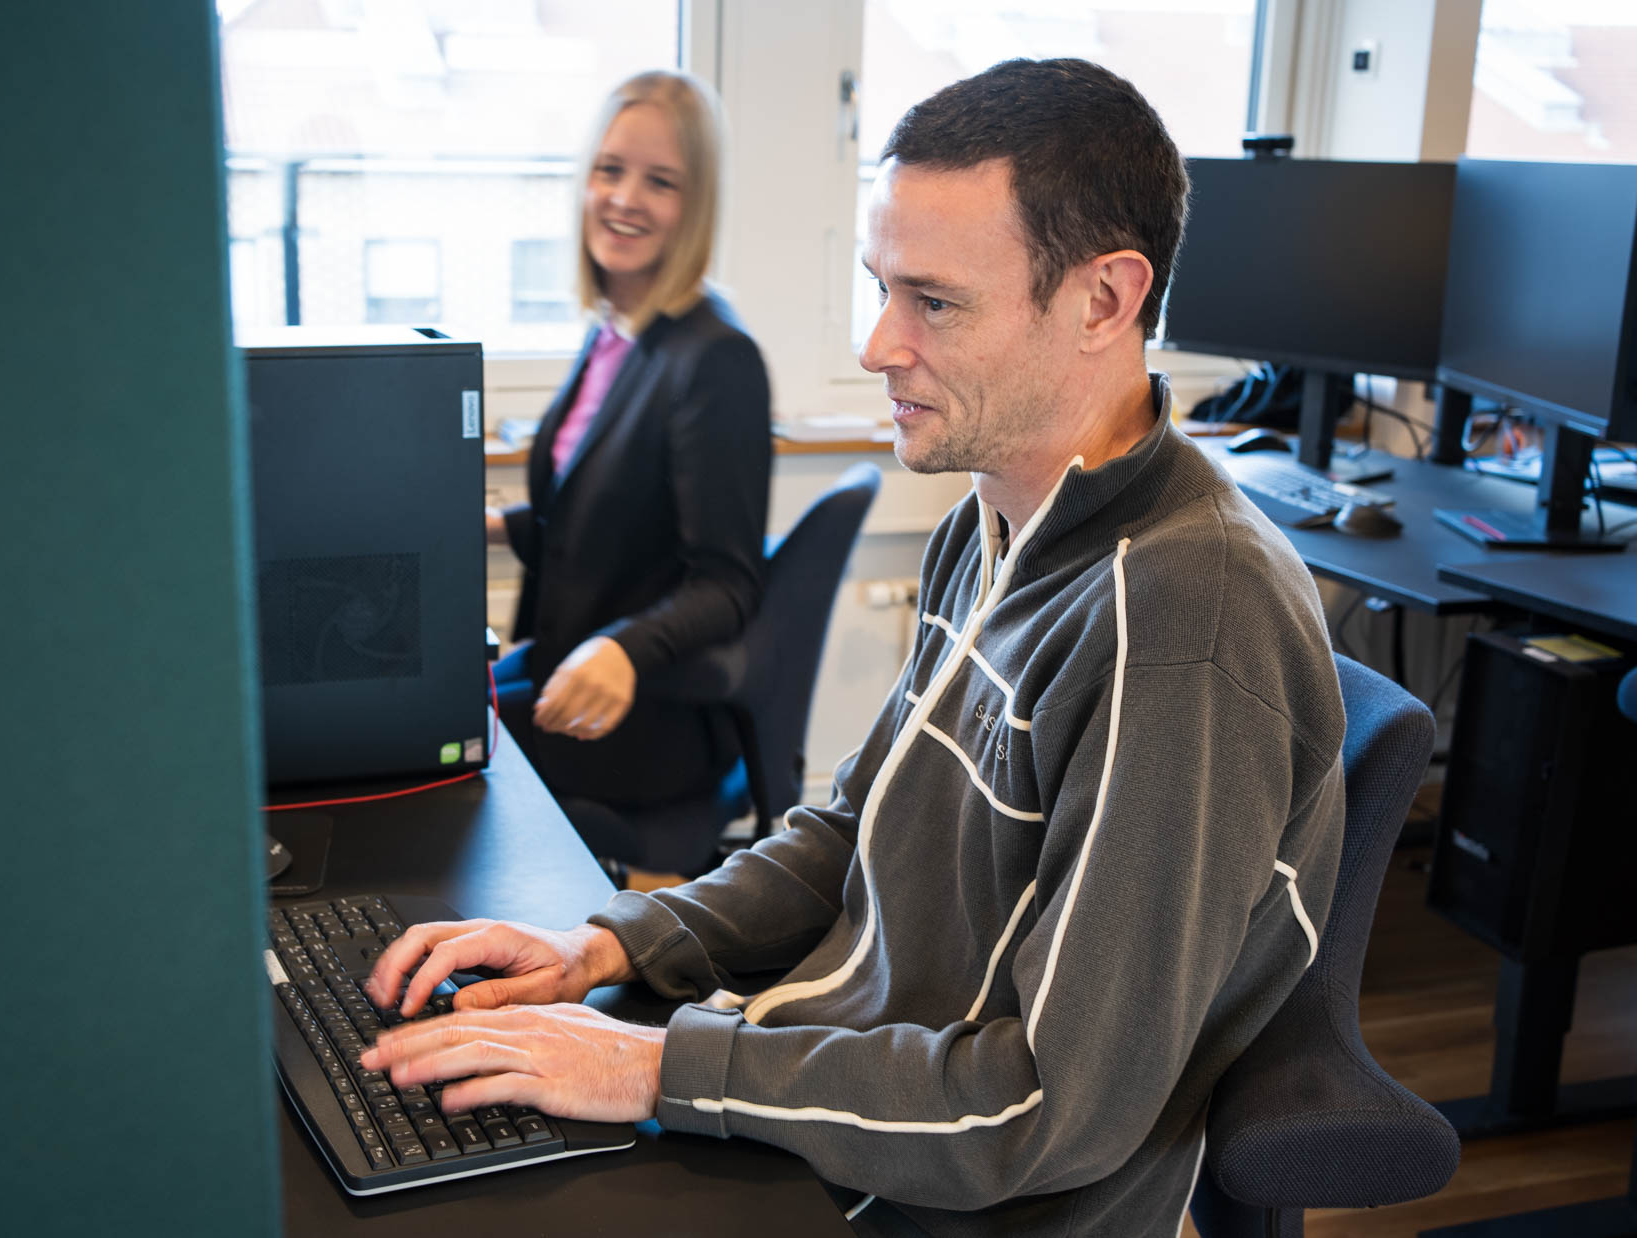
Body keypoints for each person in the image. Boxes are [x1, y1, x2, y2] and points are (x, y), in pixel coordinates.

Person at [362, 58, 1347, 1237]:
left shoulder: (1187, 623)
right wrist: (606, 943)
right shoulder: (992, 521)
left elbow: (1046, 1106)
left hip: (944, 1202)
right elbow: (851, 832)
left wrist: (656, 1064)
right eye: (881, 289)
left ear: (1103, 299)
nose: (879, 344)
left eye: (934, 302)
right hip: (833, 1096)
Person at [489, 70, 772, 849]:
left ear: (696, 204)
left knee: (429, 750)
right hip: (568, 665)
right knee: (427, 713)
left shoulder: (715, 358)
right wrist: (498, 526)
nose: (625, 199)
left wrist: (621, 648)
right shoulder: (617, 329)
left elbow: (728, 583)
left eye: (661, 182)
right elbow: (614, 520)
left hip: (643, 713)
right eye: (610, 170)